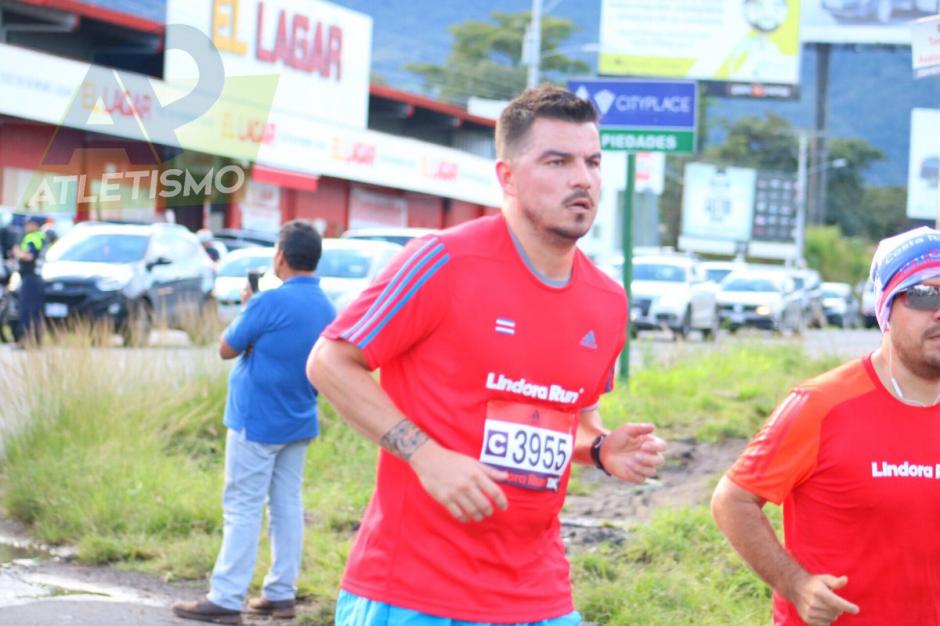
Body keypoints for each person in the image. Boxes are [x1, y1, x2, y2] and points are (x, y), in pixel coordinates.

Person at [306, 85, 667, 625]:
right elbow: (329, 362)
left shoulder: (607, 302)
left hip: (539, 596)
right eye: (557, 161)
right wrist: (426, 455)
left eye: (593, 162)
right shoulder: (443, 261)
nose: (582, 179)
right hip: (414, 593)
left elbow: (570, 420)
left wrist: (600, 449)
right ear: (507, 177)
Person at [711, 226, 940, 626]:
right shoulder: (820, 404)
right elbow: (732, 500)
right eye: (924, 294)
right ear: (886, 307)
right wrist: (796, 584)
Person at [173, 220, 336, 624]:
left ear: (280, 256)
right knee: (286, 507)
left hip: (256, 421)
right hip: (298, 419)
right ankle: (281, 594)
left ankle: (226, 598)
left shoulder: (268, 302)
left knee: (242, 507)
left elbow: (227, 348)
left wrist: (250, 305)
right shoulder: (326, 306)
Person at [10, 216, 46, 345]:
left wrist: (17, 252)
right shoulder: (42, 236)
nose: (26, 227)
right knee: (35, 311)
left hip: (30, 279)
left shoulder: (33, 237)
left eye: (28, 224)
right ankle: (35, 340)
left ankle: (25, 340)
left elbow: (29, 256)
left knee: (26, 310)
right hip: (37, 278)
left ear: (35, 225)